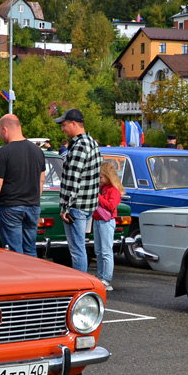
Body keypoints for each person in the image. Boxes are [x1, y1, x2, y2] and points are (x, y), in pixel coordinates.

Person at [0, 114, 46, 256]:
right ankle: (33, 277)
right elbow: (41, 179)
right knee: (30, 249)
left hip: (11, 208)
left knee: (13, 252)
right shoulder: (38, 151)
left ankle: (19, 278)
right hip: (33, 207)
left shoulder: (4, 152)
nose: (0, 135)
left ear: (5, 129)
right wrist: (34, 199)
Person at [55, 108, 101, 273]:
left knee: (77, 249)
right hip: (88, 205)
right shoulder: (92, 142)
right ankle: (84, 280)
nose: (63, 128)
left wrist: (65, 208)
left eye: (64, 124)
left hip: (76, 207)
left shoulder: (80, 145)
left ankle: (81, 283)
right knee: (80, 246)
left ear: (74, 124)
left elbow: (72, 179)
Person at [94, 161, 123, 291]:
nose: (99, 179)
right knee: (99, 251)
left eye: (100, 177)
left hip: (106, 221)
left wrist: (98, 197)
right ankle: (102, 277)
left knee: (106, 251)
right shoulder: (104, 188)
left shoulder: (113, 190)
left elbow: (111, 206)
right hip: (99, 220)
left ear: (107, 176)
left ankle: (107, 278)